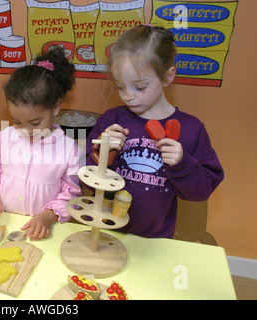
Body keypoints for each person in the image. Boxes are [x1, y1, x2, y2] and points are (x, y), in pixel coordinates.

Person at [86, 25, 224, 238]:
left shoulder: (190, 129)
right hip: (104, 232)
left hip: (155, 240)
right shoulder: (111, 120)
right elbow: (84, 178)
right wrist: (103, 153)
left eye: (139, 87)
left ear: (167, 77)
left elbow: (201, 192)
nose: (127, 96)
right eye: (120, 86)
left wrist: (182, 164)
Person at [0, 47, 83, 241]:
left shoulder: (69, 150)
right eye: (16, 121)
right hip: (4, 224)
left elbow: (72, 195)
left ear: (56, 107)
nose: (26, 130)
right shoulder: (3, 139)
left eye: (35, 123)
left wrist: (48, 216)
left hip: (43, 231)